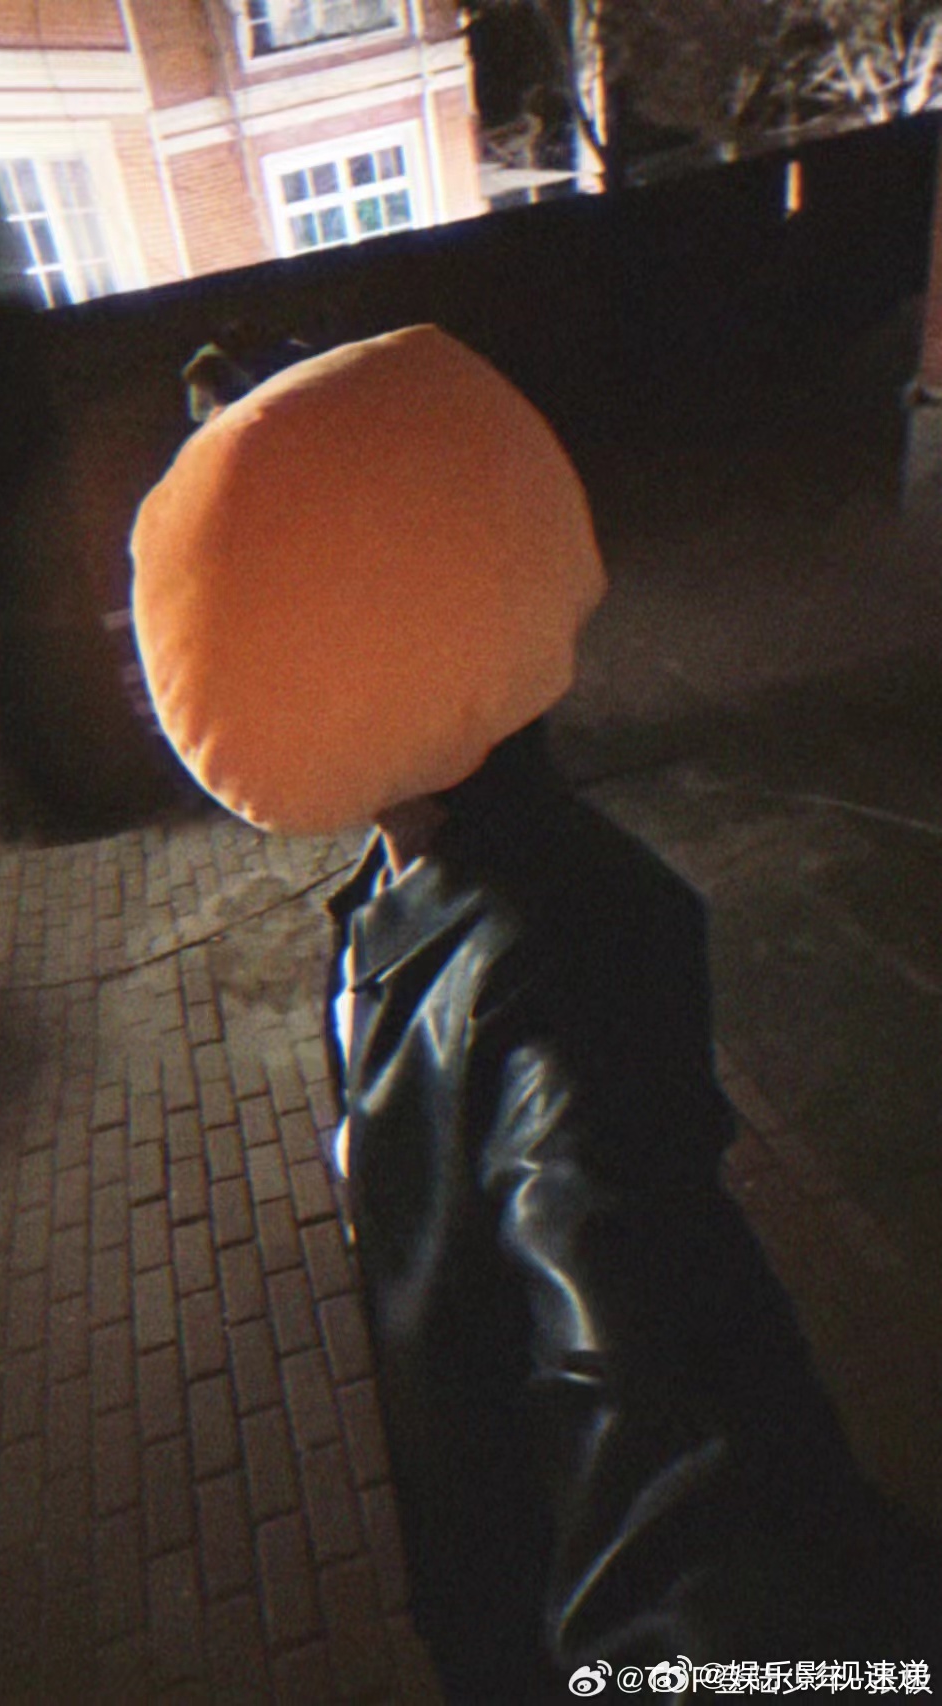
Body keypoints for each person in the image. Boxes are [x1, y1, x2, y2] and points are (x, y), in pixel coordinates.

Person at [129, 325, 938, 1697]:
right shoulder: (406, 880)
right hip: (494, 1561)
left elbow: (674, 1429)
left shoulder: (562, 968)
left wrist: (687, 1669)